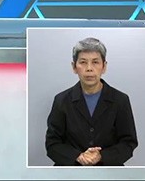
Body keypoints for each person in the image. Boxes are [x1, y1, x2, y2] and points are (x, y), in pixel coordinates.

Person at [45, 37, 138, 166]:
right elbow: (52, 144)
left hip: (109, 170)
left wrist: (102, 156)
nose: (89, 68)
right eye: (83, 62)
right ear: (74, 67)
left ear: (104, 66)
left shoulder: (120, 100)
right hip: (71, 170)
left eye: (95, 62)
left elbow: (128, 143)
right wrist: (78, 156)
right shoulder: (62, 100)